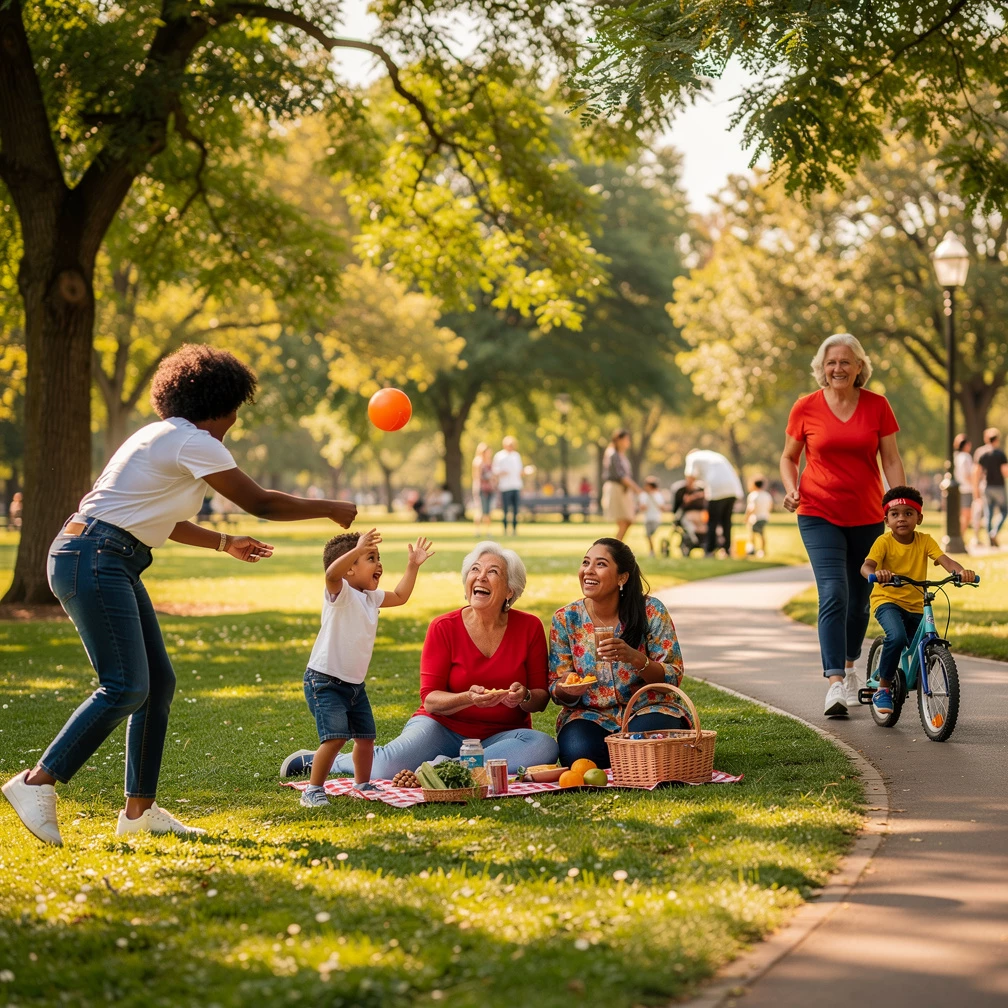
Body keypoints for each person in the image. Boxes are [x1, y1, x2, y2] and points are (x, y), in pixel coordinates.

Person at [1, 344, 357, 846]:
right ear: (218, 403)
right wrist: (331, 507)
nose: (234, 421)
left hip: (100, 553)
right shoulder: (196, 441)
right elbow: (259, 501)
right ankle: (37, 781)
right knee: (125, 686)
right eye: (234, 409)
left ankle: (139, 811)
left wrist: (222, 541)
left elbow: (150, 514)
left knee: (156, 684)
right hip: (97, 557)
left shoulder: (157, 436)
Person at [281, 541, 557, 779]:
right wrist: (468, 698)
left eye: (493, 572)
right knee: (386, 766)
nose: (481, 577)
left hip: (504, 736)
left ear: (509, 590)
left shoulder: (529, 627)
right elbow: (431, 700)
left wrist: (523, 696)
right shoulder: (443, 627)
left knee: (544, 746)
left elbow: (540, 699)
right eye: (475, 570)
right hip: (441, 727)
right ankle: (331, 761)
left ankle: (446, 768)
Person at [780, 332, 905, 718]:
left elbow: (892, 458)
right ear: (822, 367)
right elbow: (788, 458)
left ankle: (852, 665)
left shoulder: (877, 406)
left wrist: (900, 500)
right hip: (818, 511)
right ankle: (835, 682)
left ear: (859, 367)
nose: (838, 368)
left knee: (859, 600)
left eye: (846, 361)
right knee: (833, 592)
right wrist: (791, 488)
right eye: (831, 362)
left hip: (868, 514)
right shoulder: (806, 407)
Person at [296, 529, 434, 807]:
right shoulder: (341, 592)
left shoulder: (371, 597)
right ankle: (312, 790)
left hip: (354, 685)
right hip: (324, 681)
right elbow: (331, 575)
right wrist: (357, 550)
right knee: (334, 739)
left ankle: (362, 783)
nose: (379, 564)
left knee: (366, 738)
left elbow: (401, 595)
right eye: (371, 558)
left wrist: (412, 565)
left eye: (378, 557)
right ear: (350, 569)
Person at [549, 538, 688, 768]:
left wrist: (635, 658)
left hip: (646, 708)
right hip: (590, 715)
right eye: (585, 562)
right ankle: (630, 759)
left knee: (647, 740)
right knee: (577, 754)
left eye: (600, 564)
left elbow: (673, 675)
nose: (588, 571)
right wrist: (569, 689)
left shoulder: (651, 611)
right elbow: (556, 688)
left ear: (622, 577)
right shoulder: (566, 619)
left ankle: (632, 755)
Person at [860, 486, 975, 716]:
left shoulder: (925, 541)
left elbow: (945, 560)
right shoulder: (883, 543)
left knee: (928, 647)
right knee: (897, 637)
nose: (901, 518)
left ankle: (918, 680)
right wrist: (877, 575)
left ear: (919, 518)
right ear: (887, 520)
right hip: (887, 600)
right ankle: (883, 688)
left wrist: (962, 572)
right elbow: (867, 566)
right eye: (895, 514)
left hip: (915, 603)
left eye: (908, 513)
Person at [683, 449, 743, 557]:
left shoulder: (692, 457)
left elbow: (690, 477)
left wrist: (688, 494)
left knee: (712, 521)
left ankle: (710, 550)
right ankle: (726, 549)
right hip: (733, 488)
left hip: (717, 489)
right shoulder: (713, 455)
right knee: (726, 521)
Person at [601, 429, 642, 542]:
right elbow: (621, 476)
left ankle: (617, 546)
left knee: (628, 519)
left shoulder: (620, 454)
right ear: (619, 440)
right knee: (624, 520)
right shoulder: (613, 454)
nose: (628, 442)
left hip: (623, 490)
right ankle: (616, 547)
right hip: (616, 489)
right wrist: (637, 489)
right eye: (626, 439)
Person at [973, 427, 1008, 546]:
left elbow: (977, 473)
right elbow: (1005, 472)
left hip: (986, 487)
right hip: (999, 487)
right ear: (996, 440)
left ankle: (990, 540)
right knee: (1004, 511)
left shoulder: (982, 454)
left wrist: (976, 488)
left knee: (989, 513)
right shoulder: (1000, 454)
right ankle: (994, 532)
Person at [492, 436, 524, 536]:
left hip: (516, 485)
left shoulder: (516, 456)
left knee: (515, 510)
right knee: (505, 509)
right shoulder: (499, 456)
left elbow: (520, 471)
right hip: (505, 487)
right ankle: (505, 529)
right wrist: (502, 472)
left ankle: (514, 529)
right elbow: (495, 470)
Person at [952, 434, 974, 543]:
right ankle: (961, 536)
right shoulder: (966, 457)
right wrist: (975, 486)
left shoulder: (955, 457)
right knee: (966, 516)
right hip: (966, 489)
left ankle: (961, 536)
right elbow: (967, 474)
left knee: (962, 515)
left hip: (959, 489)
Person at [744, 477, 773, 558]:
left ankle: (753, 549)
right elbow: (770, 506)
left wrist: (746, 517)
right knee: (762, 534)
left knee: (752, 534)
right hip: (764, 517)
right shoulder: (767, 495)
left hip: (755, 518)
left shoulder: (753, 495)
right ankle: (762, 550)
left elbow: (751, 508)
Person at [638, 477, 665, 557]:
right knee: (648, 535)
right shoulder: (643, 495)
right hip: (647, 518)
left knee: (651, 534)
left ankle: (654, 550)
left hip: (656, 518)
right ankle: (652, 550)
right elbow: (642, 507)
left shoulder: (658, 495)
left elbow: (661, 507)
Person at [471, 442, 495, 531]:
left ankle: (488, 530)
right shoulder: (478, 462)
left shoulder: (489, 462)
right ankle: (477, 530)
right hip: (481, 488)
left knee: (488, 511)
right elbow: (477, 476)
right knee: (480, 509)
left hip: (489, 489)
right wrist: (489, 477)